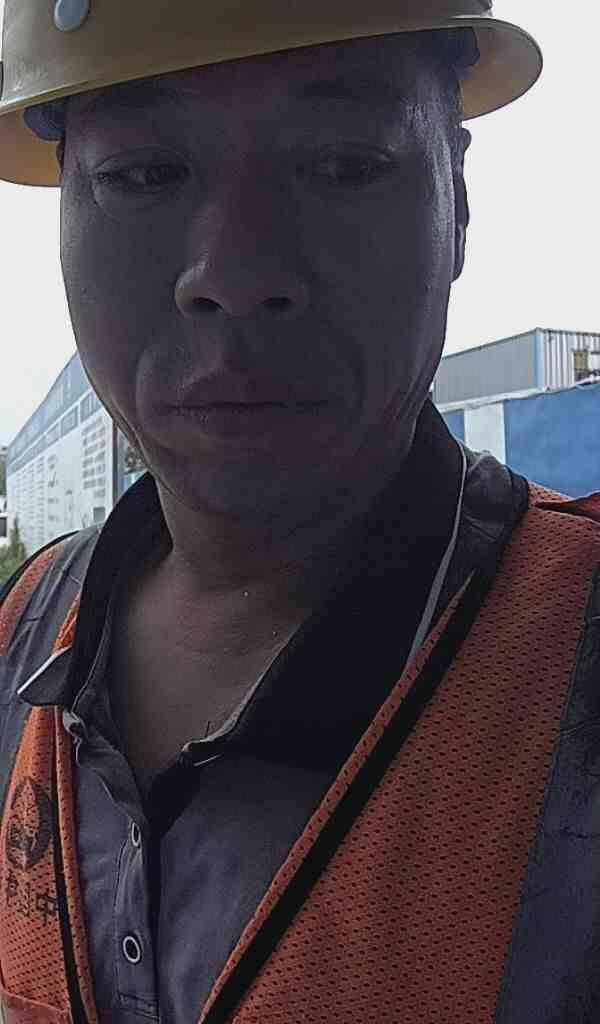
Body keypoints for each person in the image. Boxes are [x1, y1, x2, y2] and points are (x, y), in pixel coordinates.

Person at [0, 3, 598, 1022]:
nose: (234, 275)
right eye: (145, 174)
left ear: (456, 197)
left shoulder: (573, 657)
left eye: (343, 165)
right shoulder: (23, 634)